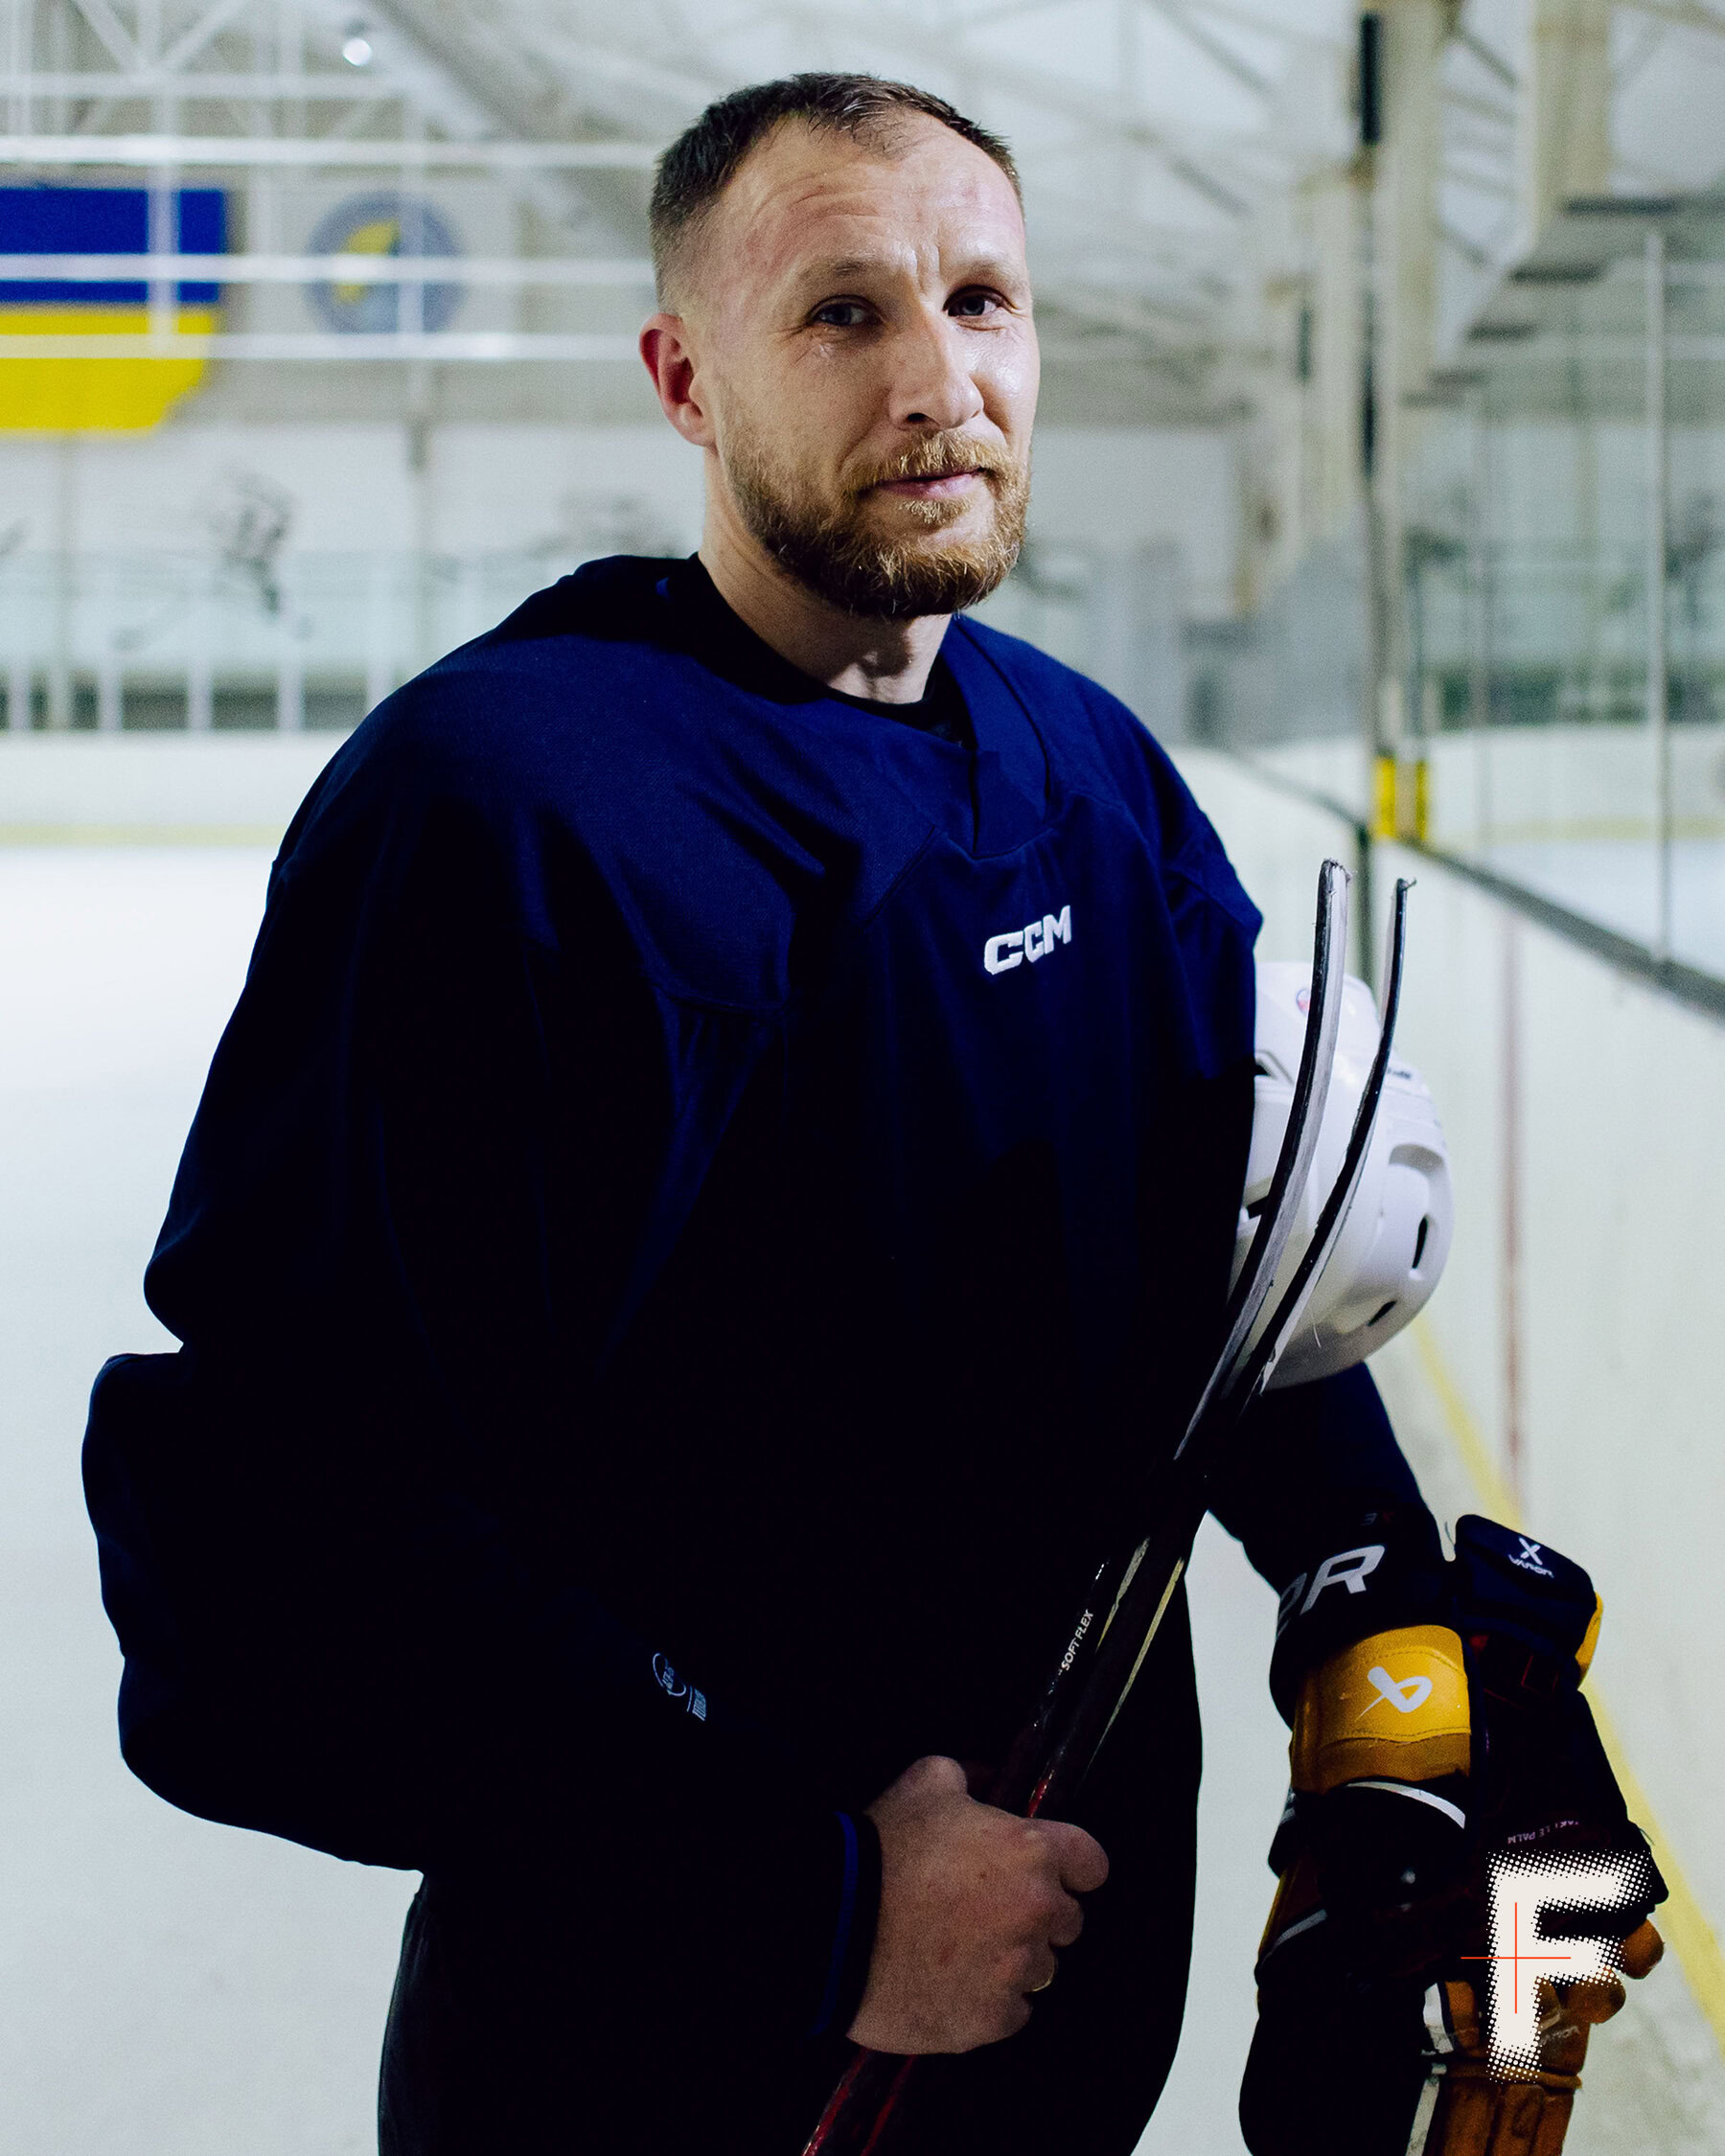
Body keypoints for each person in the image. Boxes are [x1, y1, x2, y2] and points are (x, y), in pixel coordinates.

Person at [82, 74, 1464, 2156]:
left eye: (984, 302)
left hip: (1065, 2006)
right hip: (667, 2049)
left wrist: (1393, 1650)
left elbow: (1229, 1278)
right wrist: (816, 1900)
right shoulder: (516, 816)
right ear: (684, 376)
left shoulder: (1085, 768)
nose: (942, 378)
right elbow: (285, 1542)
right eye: (842, 315)